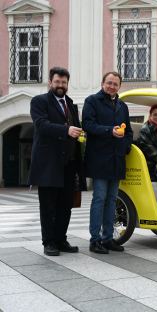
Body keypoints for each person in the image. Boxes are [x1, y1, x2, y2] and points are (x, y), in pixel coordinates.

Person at [29, 67, 86, 256]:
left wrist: (80, 135)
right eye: (57, 82)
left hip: (69, 163)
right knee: (48, 206)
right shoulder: (39, 101)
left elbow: (74, 129)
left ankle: (61, 239)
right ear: (50, 83)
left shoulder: (70, 104)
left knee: (65, 205)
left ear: (67, 84)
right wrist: (66, 130)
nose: (61, 85)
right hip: (48, 164)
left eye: (64, 82)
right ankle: (49, 242)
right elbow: (41, 125)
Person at [82, 72, 133, 254]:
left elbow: (128, 133)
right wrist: (109, 131)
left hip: (117, 159)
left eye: (116, 84)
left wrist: (125, 147)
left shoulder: (122, 106)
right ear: (102, 83)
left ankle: (108, 238)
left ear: (119, 87)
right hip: (99, 159)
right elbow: (87, 125)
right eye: (109, 83)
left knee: (112, 200)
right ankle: (95, 240)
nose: (112, 86)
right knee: (99, 199)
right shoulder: (92, 101)